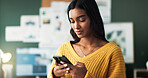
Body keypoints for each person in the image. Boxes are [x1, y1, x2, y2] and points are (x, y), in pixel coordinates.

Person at [48, 0, 126, 78]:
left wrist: (85, 76)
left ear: (93, 19)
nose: (76, 26)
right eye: (72, 22)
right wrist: (54, 74)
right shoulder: (63, 49)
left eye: (82, 20)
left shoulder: (112, 52)